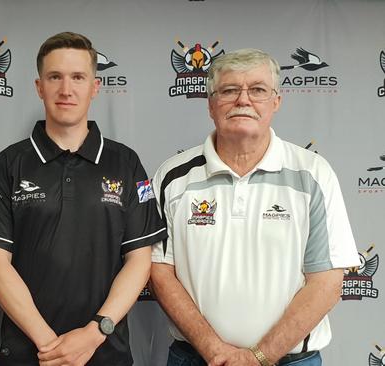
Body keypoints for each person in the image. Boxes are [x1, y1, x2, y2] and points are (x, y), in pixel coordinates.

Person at [150, 48, 360, 366]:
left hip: (290, 361)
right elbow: (159, 271)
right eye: (230, 90)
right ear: (210, 104)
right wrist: (215, 350)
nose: (243, 100)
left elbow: (327, 282)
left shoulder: (313, 174)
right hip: (195, 358)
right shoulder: (173, 176)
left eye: (258, 90)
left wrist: (259, 356)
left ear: (276, 101)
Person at [0, 32, 166, 366]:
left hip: (105, 351)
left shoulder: (125, 163)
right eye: (55, 77)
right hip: (29, 354)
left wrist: (94, 333)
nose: (66, 90)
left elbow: (139, 261)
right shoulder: (10, 163)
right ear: (39, 87)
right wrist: (52, 346)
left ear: (95, 87)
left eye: (78, 77)